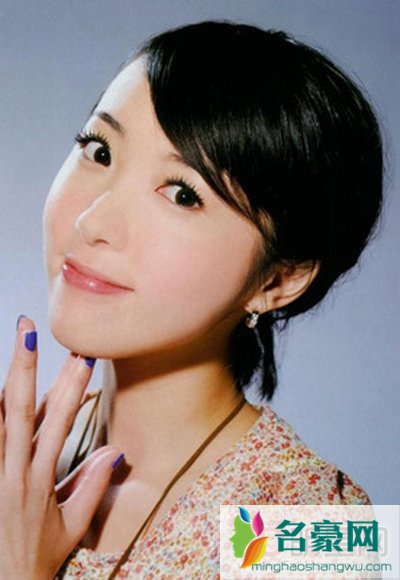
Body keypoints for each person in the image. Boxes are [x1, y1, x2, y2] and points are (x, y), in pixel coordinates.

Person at [0, 20, 382, 579]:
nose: (92, 221)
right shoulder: (20, 454)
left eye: (182, 194)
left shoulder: (316, 524)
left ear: (278, 280)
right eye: (99, 151)